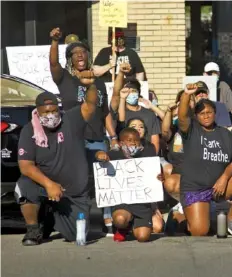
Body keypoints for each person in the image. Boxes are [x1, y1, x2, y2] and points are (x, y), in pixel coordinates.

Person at [49, 27, 116, 236]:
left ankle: (108, 219)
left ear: (88, 56)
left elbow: (105, 113)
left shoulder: (101, 84)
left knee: (105, 179)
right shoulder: (65, 80)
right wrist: (54, 42)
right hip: (74, 140)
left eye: (83, 51)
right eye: (74, 52)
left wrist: (112, 137)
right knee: (77, 180)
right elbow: (53, 64)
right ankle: (76, 219)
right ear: (69, 58)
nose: (80, 54)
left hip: (97, 139)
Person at [15, 80, 98, 246]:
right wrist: (49, 184)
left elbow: (90, 104)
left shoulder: (72, 119)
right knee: (24, 185)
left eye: (54, 111)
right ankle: (33, 229)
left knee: (76, 236)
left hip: (74, 194)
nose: (50, 116)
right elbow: (25, 166)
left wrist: (91, 84)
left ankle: (49, 218)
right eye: (45, 113)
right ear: (37, 112)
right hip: (46, 188)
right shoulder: (29, 130)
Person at [177, 83, 232, 236]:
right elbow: (182, 116)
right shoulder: (191, 130)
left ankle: (231, 221)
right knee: (199, 231)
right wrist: (186, 94)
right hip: (195, 188)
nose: (206, 115)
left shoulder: (225, 134)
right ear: (196, 116)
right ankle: (178, 216)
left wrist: (224, 177)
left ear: (215, 113)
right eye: (202, 113)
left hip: (218, 186)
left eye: (209, 112)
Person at [95, 128, 164, 242]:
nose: (133, 143)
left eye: (136, 140)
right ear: (121, 143)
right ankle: (123, 228)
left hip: (142, 203)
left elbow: (157, 171)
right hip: (123, 202)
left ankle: (135, 224)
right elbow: (98, 157)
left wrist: (160, 176)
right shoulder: (114, 154)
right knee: (120, 219)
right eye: (129, 140)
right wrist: (100, 154)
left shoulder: (148, 152)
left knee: (143, 237)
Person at [126, 117, 165, 233]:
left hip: (144, 199)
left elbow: (153, 176)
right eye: (133, 126)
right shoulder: (118, 148)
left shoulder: (150, 148)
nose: (138, 129)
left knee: (157, 227)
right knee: (121, 220)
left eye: (141, 126)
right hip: (125, 200)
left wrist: (155, 206)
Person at [113, 76, 161, 154]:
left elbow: (155, 140)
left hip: (147, 154)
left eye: (134, 91)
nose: (131, 94)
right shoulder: (120, 113)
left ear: (139, 93)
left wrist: (153, 158)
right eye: (128, 91)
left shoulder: (150, 114)